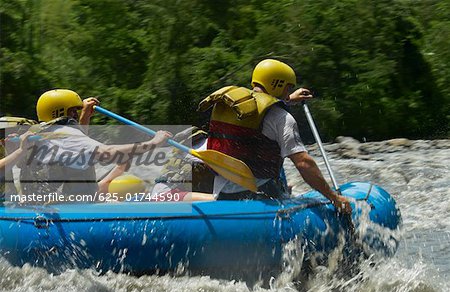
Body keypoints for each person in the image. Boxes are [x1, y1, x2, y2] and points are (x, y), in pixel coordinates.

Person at [198, 59, 351, 214]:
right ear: (277, 85)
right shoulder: (282, 119)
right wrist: (334, 198)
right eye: (288, 87)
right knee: (282, 169)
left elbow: (261, 109)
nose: (288, 92)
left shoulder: (230, 107)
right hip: (257, 195)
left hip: (223, 192)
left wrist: (289, 99)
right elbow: (304, 163)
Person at [19, 89, 172, 200]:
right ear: (63, 112)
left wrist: (85, 116)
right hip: (75, 211)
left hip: (52, 207)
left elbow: (79, 149)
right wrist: (154, 142)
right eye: (74, 111)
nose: (76, 115)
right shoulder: (65, 135)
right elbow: (109, 152)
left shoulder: (42, 134)